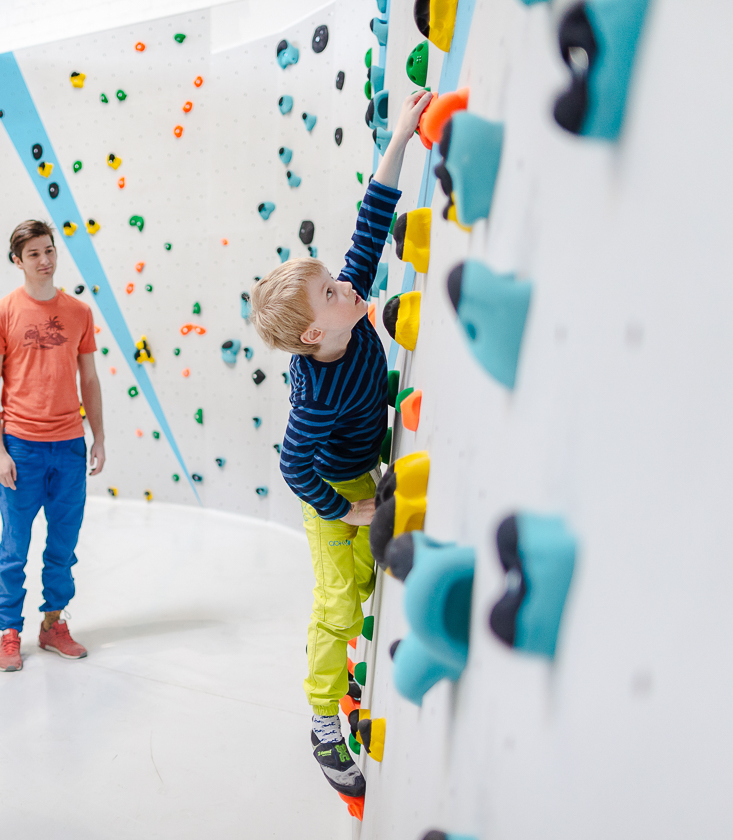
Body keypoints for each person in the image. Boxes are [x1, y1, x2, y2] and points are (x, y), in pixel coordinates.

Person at [249, 91, 432, 801]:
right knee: (336, 602)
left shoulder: (347, 314)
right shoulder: (314, 396)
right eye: (331, 292)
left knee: (360, 588)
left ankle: (340, 661)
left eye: (332, 280)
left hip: (365, 472)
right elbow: (294, 465)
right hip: (332, 494)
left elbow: (370, 224)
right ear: (313, 336)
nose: (348, 287)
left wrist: (400, 142)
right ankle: (323, 719)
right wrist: (347, 511)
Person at [0, 220, 105, 672]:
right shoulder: (0, 314)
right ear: (18, 260)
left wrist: (99, 438)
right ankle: (9, 630)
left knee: (63, 545)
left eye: (49, 250)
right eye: (33, 253)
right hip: (22, 449)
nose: (45, 259)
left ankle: (53, 624)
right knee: (14, 546)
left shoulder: (79, 313)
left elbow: (88, 378)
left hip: (69, 446)